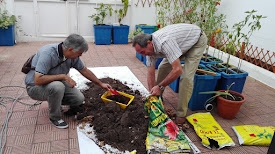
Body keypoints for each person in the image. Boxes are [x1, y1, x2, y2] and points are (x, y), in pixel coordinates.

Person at [25, 34, 112, 129]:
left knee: (78, 98)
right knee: (57, 87)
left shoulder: (72, 56)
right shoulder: (48, 53)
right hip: (34, 87)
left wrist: (100, 83)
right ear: (70, 49)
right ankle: (55, 117)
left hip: (55, 83)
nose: (81, 55)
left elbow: (84, 70)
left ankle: (55, 101)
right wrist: (63, 76)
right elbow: (37, 80)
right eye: (80, 53)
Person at [132, 23, 207, 127]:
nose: (144, 55)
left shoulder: (165, 43)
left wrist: (160, 86)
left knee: (186, 77)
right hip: (180, 45)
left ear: (149, 43)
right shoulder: (149, 49)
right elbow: (150, 73)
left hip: (196, 41)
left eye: (143, 52)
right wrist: (152, 96)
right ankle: (157, 98)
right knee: (163, 67)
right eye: (141, 53)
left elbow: (177, 70)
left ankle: (181, 113)